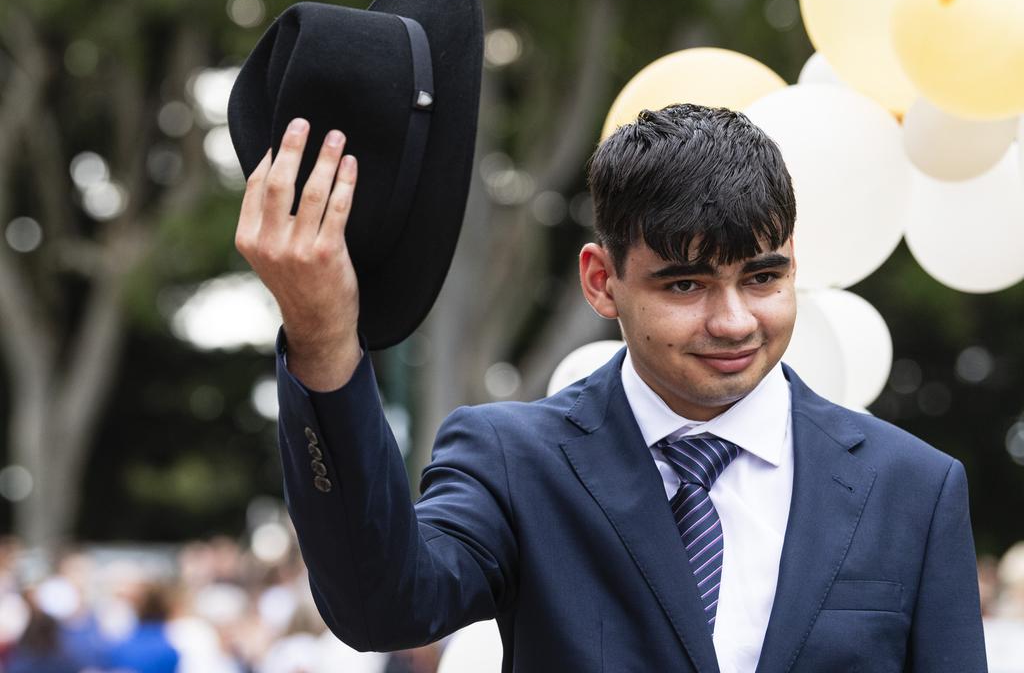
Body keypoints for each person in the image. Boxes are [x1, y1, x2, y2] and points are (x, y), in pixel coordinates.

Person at [234, 104, 987, 672]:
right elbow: (380, 607)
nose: (733, 321)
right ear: (601, 282)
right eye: (686, 283)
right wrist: (324, 335)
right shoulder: (513, 460)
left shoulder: (913, 489)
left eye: (762, 278)